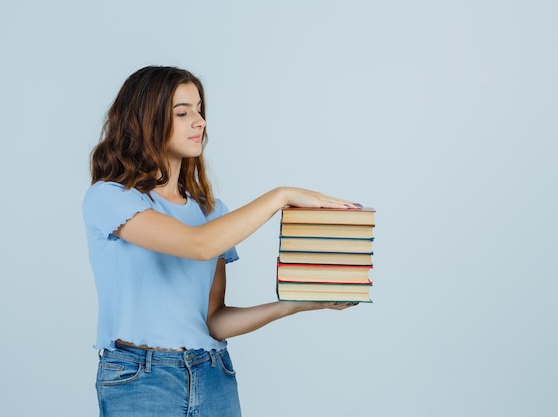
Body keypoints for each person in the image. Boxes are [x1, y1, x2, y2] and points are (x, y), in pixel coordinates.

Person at [82, 65, 361, 417]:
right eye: (182, 113)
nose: (198, 121)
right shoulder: (109, 198)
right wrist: (282, 195)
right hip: (141, 379)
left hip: (213, 374)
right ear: (144, 120)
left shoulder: (212, 212)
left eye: (199, 110)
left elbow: (213, 321)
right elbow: (198, 245)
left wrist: (298, 304)